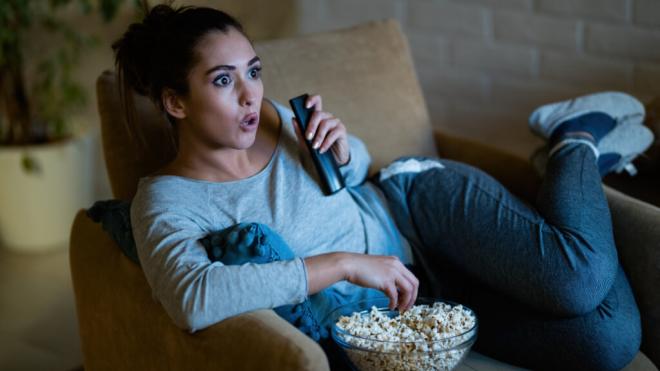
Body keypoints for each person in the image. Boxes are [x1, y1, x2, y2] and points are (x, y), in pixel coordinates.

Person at [113, 4, 651, 370]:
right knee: (609, 340)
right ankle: (583, 164)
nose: (251, 96)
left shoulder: (274, 117)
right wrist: (344, 264)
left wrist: (344, 151)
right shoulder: (166, 200)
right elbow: (192, 297)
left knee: (577, 280)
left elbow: (357, 172)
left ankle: (574, 136)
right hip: (411, 302)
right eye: (224, 81)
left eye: (253, 71)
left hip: (415, 205)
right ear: (175, 102)